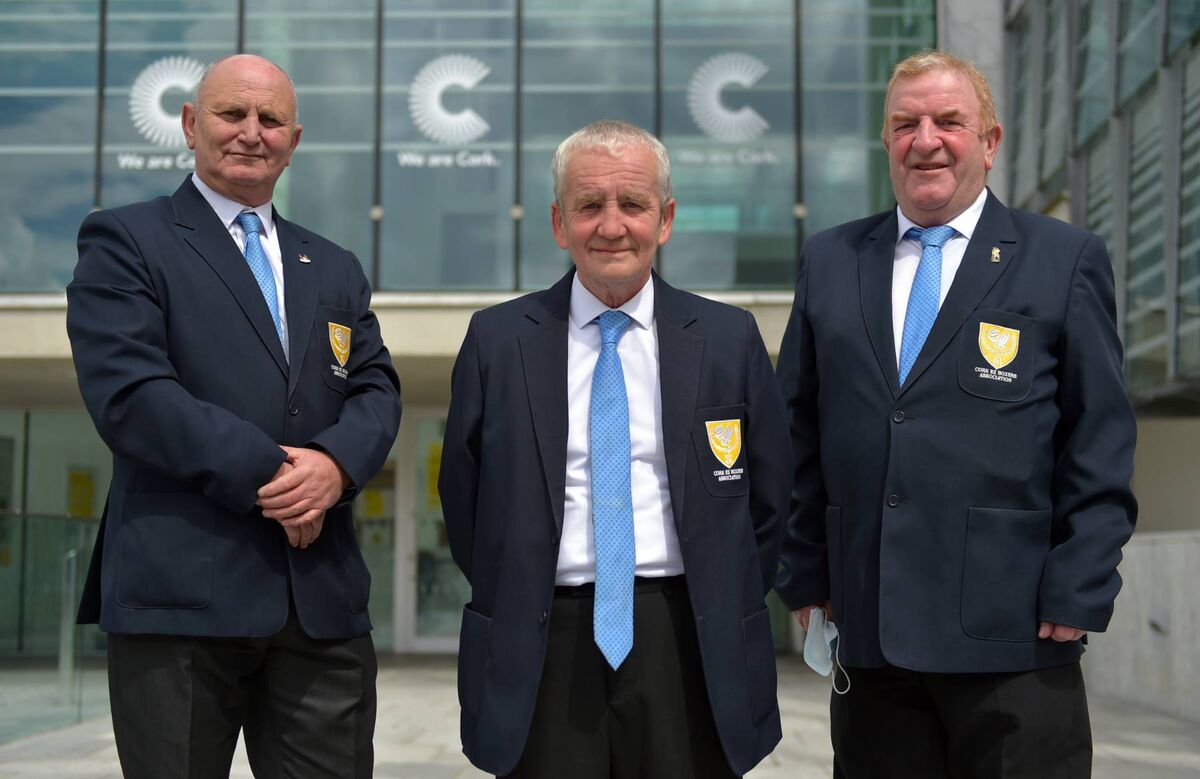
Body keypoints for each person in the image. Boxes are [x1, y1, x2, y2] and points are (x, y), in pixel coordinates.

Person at [774, 49, 1137, 778]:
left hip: (1015, 636)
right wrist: (804, 573)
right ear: (887, 143)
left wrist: (1082, 581)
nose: (926, 138)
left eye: (949, 121)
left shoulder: (1063, 259)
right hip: (873, 635)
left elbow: (1098, 436)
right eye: (906, 123)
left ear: (991, 142)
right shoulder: (832, 259)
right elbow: (796, 431)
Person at [66, 54, 401, 779]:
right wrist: (280, 474)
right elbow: (133, 396)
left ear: (294, 139)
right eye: (232, 114)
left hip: (320, 605)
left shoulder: (335, 265)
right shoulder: (125, 241)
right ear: (191, 124)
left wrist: (336, 465)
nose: (252, 132)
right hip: (179, 600)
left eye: (271, 119)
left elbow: (377, 388)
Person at [438, 120, 793, 778]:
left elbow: (770, 501)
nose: (611, 226)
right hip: (544, 643)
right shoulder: (496, 341)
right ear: (557, 221)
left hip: (687, 639)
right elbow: (464, 497)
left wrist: (722, 589)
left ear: (665, 219)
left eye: (632, 204)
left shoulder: (727, 339)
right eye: (589, 205)